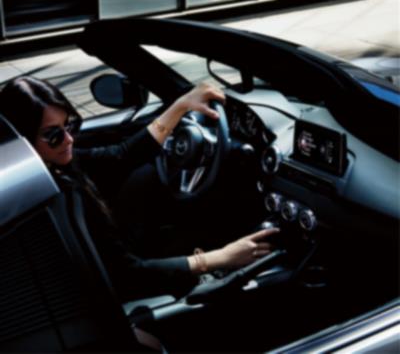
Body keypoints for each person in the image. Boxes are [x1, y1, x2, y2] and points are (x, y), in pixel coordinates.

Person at [0, 76, 279, 301]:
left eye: (69, 124)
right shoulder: (57, 197)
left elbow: (122, 155)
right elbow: (127, 274)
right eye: (53, 134)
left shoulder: (55, 165)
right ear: (22, 139)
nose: (69, 139)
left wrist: (181, 105)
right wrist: (221, 258)